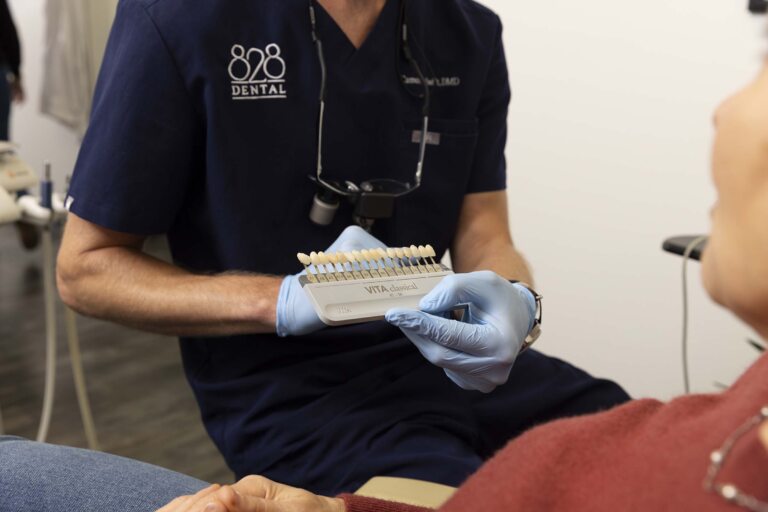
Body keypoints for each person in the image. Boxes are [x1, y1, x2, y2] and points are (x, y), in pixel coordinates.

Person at [1, 3, 766, 508]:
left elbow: (487, 234)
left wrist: (516, 309)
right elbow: (86, 268)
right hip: (295, 394)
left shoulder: (467, 30)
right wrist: (281, 301)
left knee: (649, 459)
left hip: (455, 366)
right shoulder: (182, 19)